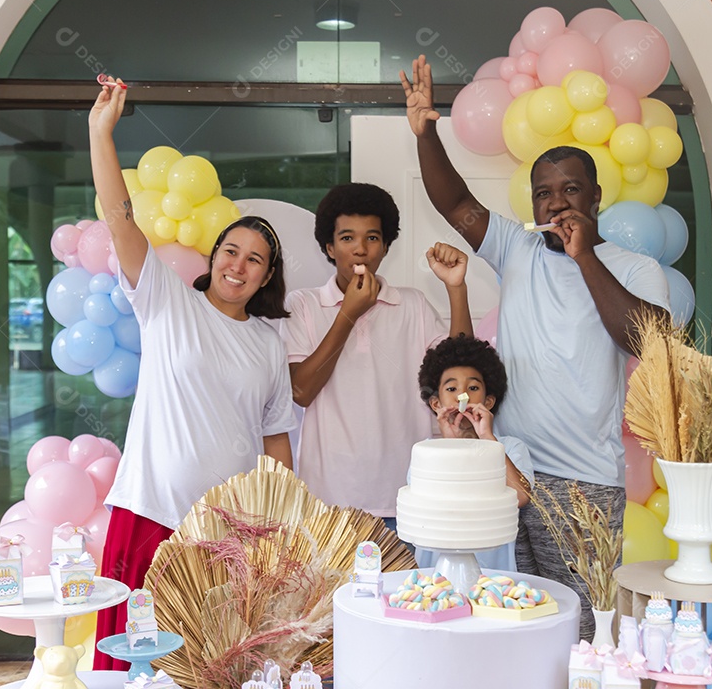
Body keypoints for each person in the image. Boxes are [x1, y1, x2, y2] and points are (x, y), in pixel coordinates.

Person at [401, 55, 671, 638]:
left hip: (585, 484)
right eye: (543, 193)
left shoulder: (635, 268)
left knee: (581, 626)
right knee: (507, 622)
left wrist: (584, 257)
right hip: (507, 471)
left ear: (596, 196)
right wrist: (427, 132)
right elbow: (457, 204)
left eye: (570, 189)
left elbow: (647, 339)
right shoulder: (515, 249)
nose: (556, 202)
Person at [89, 77, 297, 669]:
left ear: (265, 277)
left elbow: (275, 439)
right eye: (231, 251)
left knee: (211, 669)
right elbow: (119, 215)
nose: (239, 265)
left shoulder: (266, 342)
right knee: (132, 668)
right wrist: (100, 132)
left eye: (254, 259)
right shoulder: (164, 300)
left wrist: (277, 521)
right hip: (150, 513)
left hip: (227, 536)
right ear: (213, 258)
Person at [279, 183, 473, 530]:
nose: (360, 250)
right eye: (347, 238)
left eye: (372, 238)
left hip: (407, 499)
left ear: (385, 247)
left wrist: (456, 289)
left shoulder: (412, 304)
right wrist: (348, 314)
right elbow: (301, 392)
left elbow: (461, 374)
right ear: (329, 246)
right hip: (329, 504)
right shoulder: (303, 304)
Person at [413, 335, 532, 572]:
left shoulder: (511, 448)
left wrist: (488, 439)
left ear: (488, 402)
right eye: (452, 388)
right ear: (436, 404)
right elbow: (435, 502)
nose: (462, 395)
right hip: (435, 574)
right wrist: (451, 441)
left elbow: (520, 497)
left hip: (493, 575)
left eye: (473, 388)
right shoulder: (426, 452)